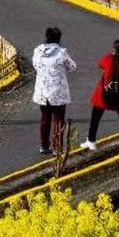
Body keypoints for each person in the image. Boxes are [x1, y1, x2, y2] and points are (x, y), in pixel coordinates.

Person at [83, 39, 119, 152]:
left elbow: (99, 63)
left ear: (114, 49)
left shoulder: (109, 59)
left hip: (103, 94)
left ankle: (91, 141)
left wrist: (112, 54)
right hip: (118, 95)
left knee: (95, 118)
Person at [32, 26, 77, 157]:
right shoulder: (62, 53)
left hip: (42, 92)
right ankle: (57, 148)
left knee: (45, 119)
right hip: (58, 93)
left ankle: (44, 146)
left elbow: (35, 65)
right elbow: (72, 67)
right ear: (59, 38)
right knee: (58, 120)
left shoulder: (38, 51)